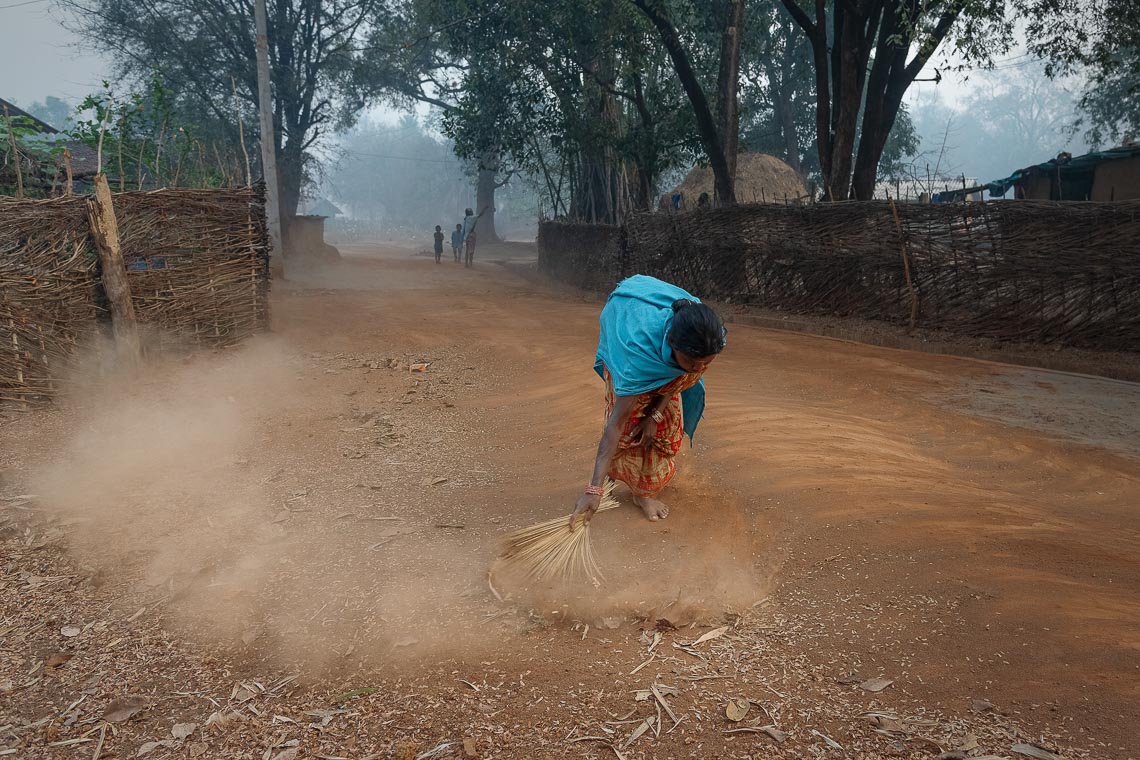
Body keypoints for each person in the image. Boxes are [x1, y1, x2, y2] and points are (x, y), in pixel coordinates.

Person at [570, 275, 726, 526]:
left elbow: (678, 377)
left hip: (659, 342)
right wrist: (593, 489)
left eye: (706, 363)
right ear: (671, 345)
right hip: (624, 321)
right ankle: (609, 472)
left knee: (667, 423)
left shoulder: (710, 337)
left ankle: (644, 492)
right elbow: (616, 424)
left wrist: (655, 415)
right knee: (629, 424)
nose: (698, 368)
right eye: (690, 361)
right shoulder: (635, 359)